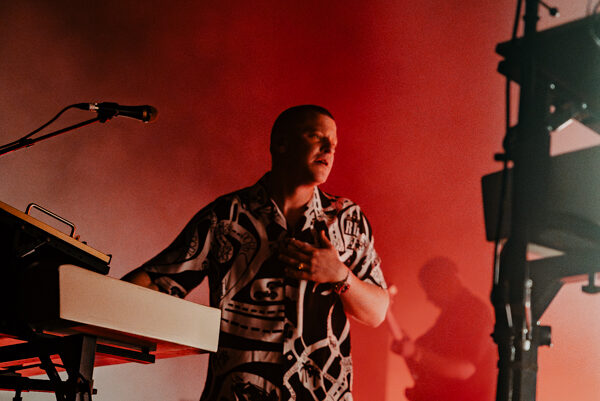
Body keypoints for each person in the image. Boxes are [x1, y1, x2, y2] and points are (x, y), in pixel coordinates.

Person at [123, 105, 389, 401]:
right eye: (316, 136)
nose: (329, 149)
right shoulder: (225, 216)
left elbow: (377, 312)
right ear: (281, 143)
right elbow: (158, 279)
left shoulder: (348, 219)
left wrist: (340, 275)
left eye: (334, 144)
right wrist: (94, 298)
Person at [390, 257, 496, 401]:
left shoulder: (474, 312)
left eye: (430, 288)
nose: (428, 297)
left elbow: (464, 369)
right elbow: (425, 357)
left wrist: (415, 352)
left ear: (448, 281)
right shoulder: (450, 316)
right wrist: (410, 348)